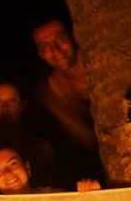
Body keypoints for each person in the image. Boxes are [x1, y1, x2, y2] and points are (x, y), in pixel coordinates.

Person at [32, 19, 104, 186]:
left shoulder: (98, 59)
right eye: (45, 46)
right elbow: (85, 137)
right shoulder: (55, 87)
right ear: (41, 54)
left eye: (60, 39)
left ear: (74, 38)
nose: (55, 49)